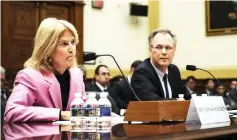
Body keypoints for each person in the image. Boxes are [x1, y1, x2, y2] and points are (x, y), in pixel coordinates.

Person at [4, 18, 86, 122]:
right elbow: (12, 112)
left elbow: (82, 107)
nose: (72, 49)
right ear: (48, 49)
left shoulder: (76, 75)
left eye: (73, 42)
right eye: (64, 44)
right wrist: (60, 115)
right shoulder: (30, 76)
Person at [131, 28, 186, 101]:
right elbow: (153, 102)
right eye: (159, 47)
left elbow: (185, 96)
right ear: (150, 50)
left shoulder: (174, 70)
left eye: (168, 47)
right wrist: (178, 101)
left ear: (174, 50)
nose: (164, 52)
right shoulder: (142, 72)